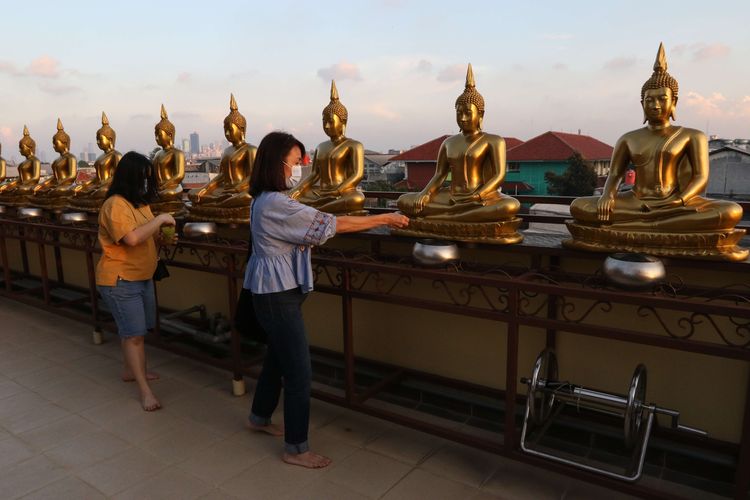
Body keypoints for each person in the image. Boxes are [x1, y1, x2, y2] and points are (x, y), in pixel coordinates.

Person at [244, 131, 408, 468]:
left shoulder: (262, 199)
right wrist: (384, 217)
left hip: (272, 291)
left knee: (277, 357)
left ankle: (259, 417)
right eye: (293, 164)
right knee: (299, 372)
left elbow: (317, 217)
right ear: (276, 164)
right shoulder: (276, 204)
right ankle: (296, 449)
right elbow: (333, 223)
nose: (297, 170)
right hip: (278, 296)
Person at [96, 151, 177, 411]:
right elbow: (131, 239)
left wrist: (162, 236)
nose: (146, 183)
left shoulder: (140, 204)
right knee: (134, 335)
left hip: (142, 275)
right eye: (143, 178)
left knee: (133, 331)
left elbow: (145, 235)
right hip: (120, 278)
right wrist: (160, 219)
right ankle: (145, 391)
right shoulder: (115, 205)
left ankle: (130, 371)